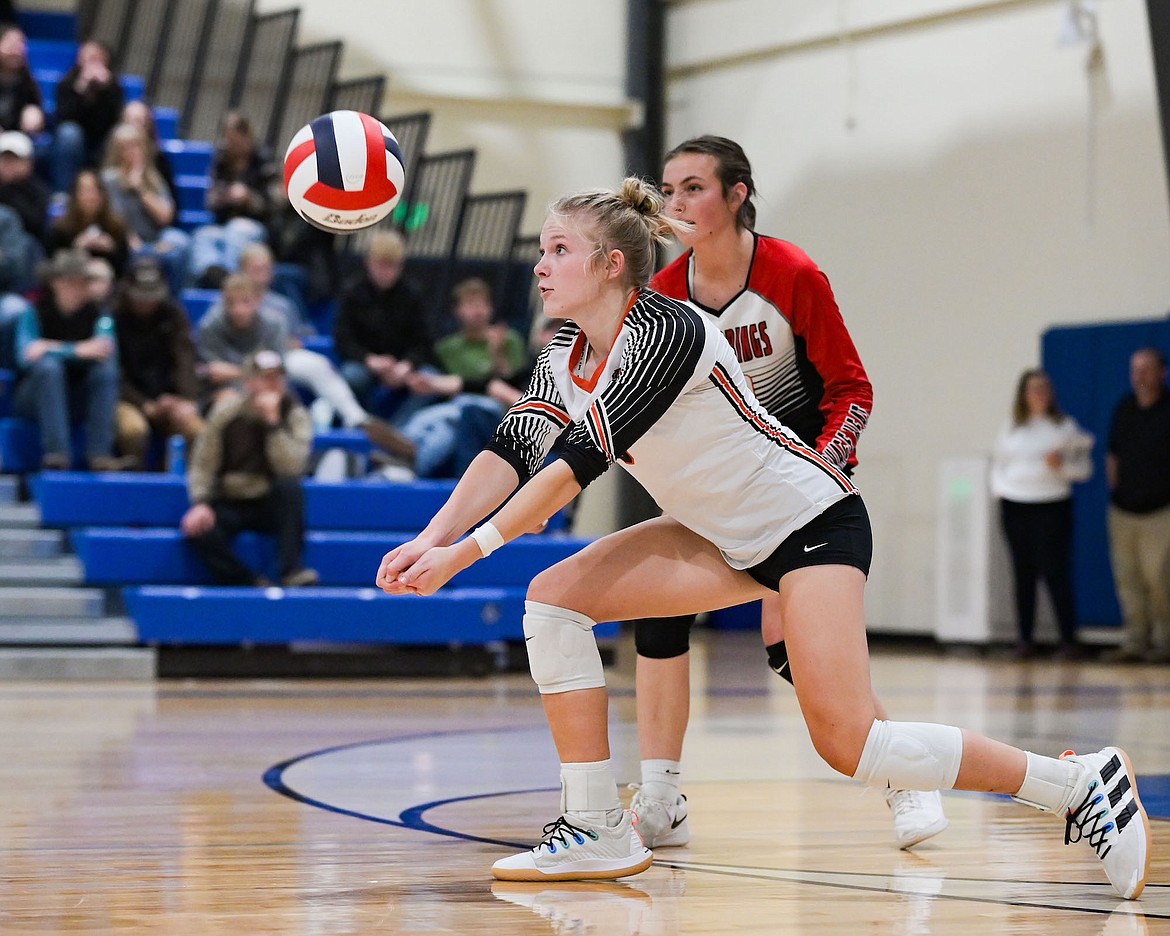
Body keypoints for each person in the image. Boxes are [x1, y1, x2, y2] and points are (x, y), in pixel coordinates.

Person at [374, 178, 1150, 897]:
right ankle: (598, 829)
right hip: (719, 536)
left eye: (558, 250)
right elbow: (512, 449)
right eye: (542, 250)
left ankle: (1075, 785)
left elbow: (573, 468)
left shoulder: (665, 332)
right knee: (551, 606)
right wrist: (429, 537)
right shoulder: (563, 355)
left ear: (612, 265)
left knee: (850, 743)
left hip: (809, 523)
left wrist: (466, 554)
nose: (540, 265)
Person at [627, 135, 944, 852]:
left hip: (789, 484)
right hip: (708, 484)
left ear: (737, 195)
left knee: (789, 647)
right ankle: (660, 798)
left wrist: (820, 472)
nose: (676, 204)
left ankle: (906, 779)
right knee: (657, 615)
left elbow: (851, 388)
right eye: (669, 190)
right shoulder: (664, 295)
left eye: (693, 189)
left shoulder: (791, 272)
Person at [180, 349, 318, 588]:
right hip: (231, 499)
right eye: (266, 378)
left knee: (290, 489)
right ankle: (247, 581)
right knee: (200, 530)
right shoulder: (225, 413)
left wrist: (273, 424)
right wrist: (200, 502)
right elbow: (203, 463)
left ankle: (292, 571)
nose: (273, 384)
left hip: (269, 500)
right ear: (248, 382)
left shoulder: (294, 414)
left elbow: (292, 467)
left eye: (278, 378)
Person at [990, 369, 1094, 660]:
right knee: (1022, 574)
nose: (1040, 394)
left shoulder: (1065, 427)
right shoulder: (1011, 427)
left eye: (1045, 388)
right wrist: (1002, 492)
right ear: (1023, 394)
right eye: (1034, 388)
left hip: (1052, 506)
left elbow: (1084, 470)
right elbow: (998, 466)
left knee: (1054, 572)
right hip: (1015, 506)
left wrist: (1060, 464)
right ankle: (1024, 640)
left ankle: (1068, 641)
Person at [397, 277, 529, 478]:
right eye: (470, 304)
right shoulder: (446, 348)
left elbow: (514, 383)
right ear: (457, 310)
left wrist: (496, 353)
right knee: (447, 429)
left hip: (497, 410)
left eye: (482, 304)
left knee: (451, 412)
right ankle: (411, 468)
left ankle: (402, 440)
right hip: (458, 410)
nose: (477, 311)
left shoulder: (508, 340)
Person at [11, 248, 121, 470]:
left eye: (85, 282)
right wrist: (77, 351)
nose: (82, 289)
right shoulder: (33, 312)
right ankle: (57, 454)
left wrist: (50, 347)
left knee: (105, 370)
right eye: (75, 282)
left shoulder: (100, 314)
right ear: (57, 283)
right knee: (49, 369)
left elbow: (104, 348)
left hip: (78, 394)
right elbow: (26, 356)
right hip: (35, 396)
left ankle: (99, 454)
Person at [1103, 347, 1170, 663]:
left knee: (1159, 579)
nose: (1139, 376)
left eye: (1146, 369)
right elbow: (1112, 454)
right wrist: (1115, 489)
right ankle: (1134, 641)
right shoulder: (1124, 408)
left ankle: (1165, 641)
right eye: (1135, 370)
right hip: (1123, 510)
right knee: (1127, 579)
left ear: (1162, 372)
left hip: (1161, 510)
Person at [112, 256, 204, 469]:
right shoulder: (112, 316)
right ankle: (134, 485)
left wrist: (186, 399)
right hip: (126, 398)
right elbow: (111, 373)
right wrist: (143, 403)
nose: (146, 302)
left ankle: (178, 488)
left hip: (168, 398)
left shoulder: (174, 315)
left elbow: (185, 359)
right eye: (140, 297)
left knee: (196, 430)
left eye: (151, 296)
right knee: (133, 430)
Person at [333, 230, 433, 419]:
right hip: (365, 364)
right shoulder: (352, 292)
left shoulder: (413, 295)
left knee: (431, 380)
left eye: (392, 265)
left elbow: (424, 341)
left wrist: (406, 365)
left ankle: (399, 431)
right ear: (368, 262)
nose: (386, 272)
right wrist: (370, 360)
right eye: (381, 264)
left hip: (403, 366)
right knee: (351, 377)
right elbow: (343, 339)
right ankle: (367, 425)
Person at [101, 122, 191, 292]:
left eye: (135, 146)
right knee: (137, 254)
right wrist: (130, 238)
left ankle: (173, 301)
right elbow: (114, 219)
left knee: (179, 244)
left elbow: (165, 217)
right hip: (125, 239)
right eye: (125, 147)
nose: (131, 152)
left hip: (155, 238)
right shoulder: (108, 180)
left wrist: (141, 189)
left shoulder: (153, 178)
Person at [190, 111, 272, 288]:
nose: (230, 145)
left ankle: (232, 284)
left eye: (234, 140)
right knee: (203, 235)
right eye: (227, 140)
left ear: (246, 136)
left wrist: (248, 197)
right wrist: (222, 197)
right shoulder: (220, 162)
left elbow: (273, 205)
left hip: (255, 226)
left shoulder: (264, 163)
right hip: (223, 224)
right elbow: (209, 202)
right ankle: (210, 279)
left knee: (237, 231)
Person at [52, 39, 123, 193]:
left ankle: (108, 196)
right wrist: (81, 89)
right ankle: (63, 193)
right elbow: (63, 118)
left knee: (118, 137)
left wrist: (106, 89)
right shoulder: (66, 85)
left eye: (98, 59)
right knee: (69, 133)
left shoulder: (114, 89)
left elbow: (113, 121)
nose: (93, 64)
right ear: (79, 59)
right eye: (89, 58)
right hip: (72, 144)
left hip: (101, 143)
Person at [43, 167, 130, 277]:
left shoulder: (116, 227)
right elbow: (52, 268)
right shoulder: (59, 230)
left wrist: (112, 249)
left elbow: (124, 269)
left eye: (95, 190)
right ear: (75, 195)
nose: (90, 197)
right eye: (85, 191)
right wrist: (75, 249)